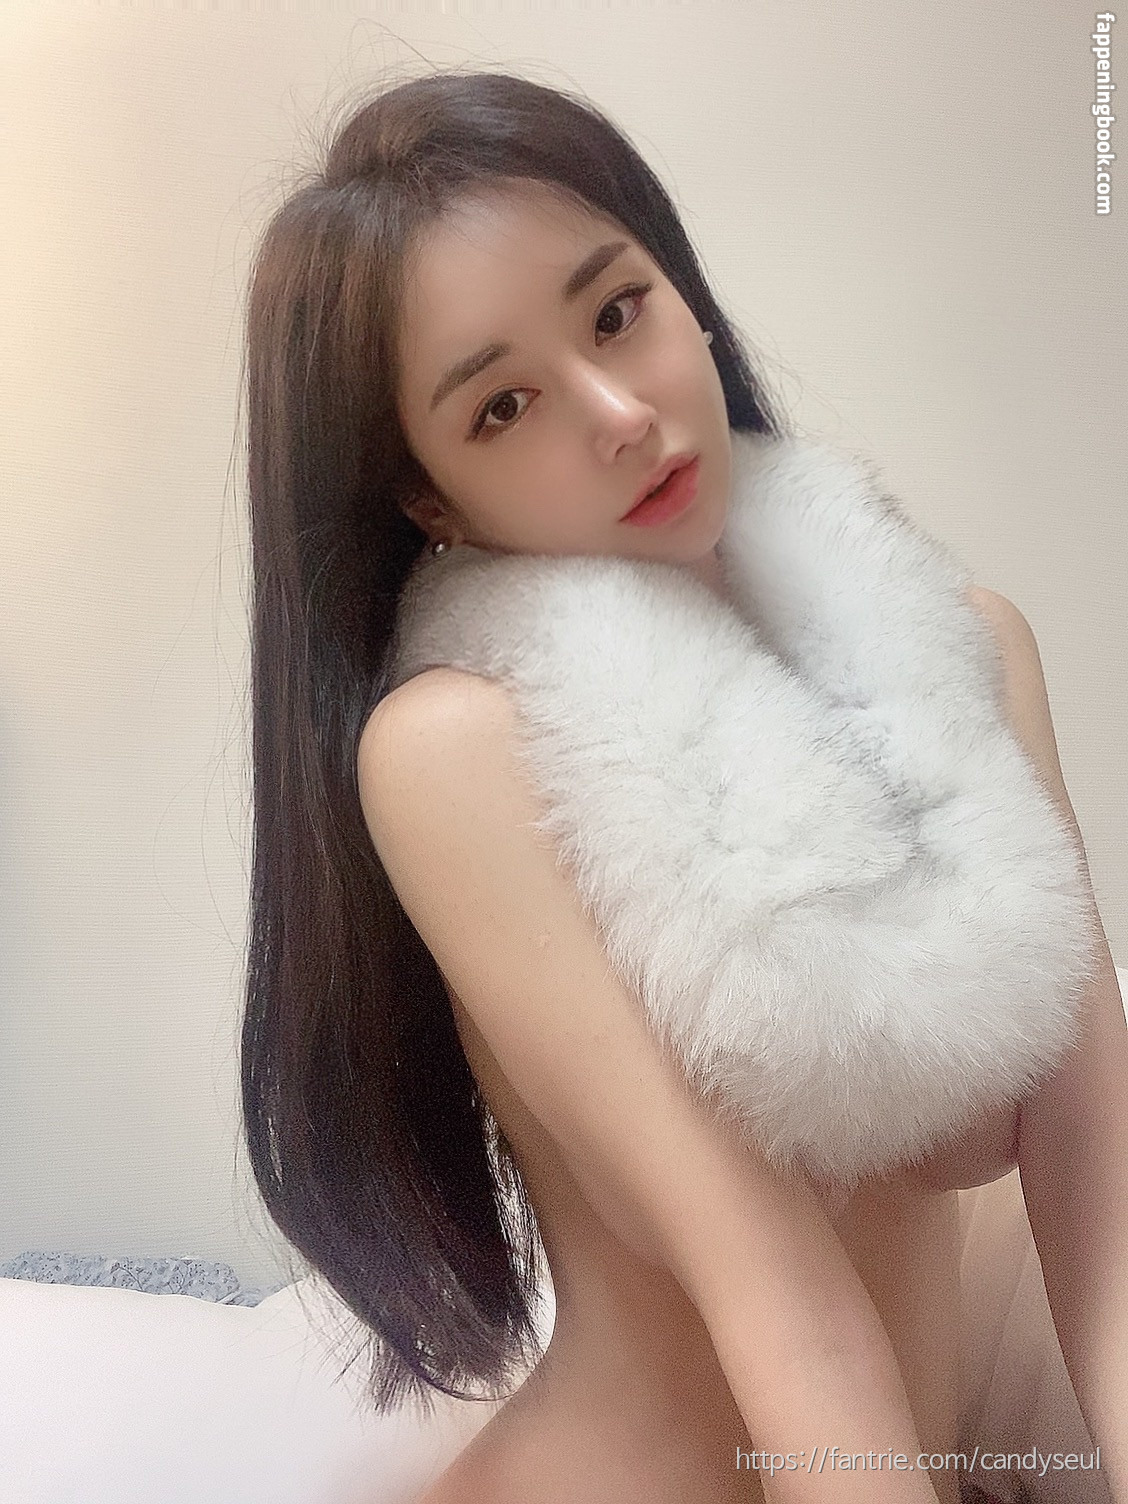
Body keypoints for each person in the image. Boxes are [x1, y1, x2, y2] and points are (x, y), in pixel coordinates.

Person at [239, 69, 1128, 1503]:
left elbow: (1102, 1199)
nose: (617, 413)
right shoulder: (456, 747)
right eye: (503, 405)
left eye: (616, 312)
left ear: (684, 293)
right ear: (428, 497)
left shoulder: (964, 649)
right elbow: (774, 1284)